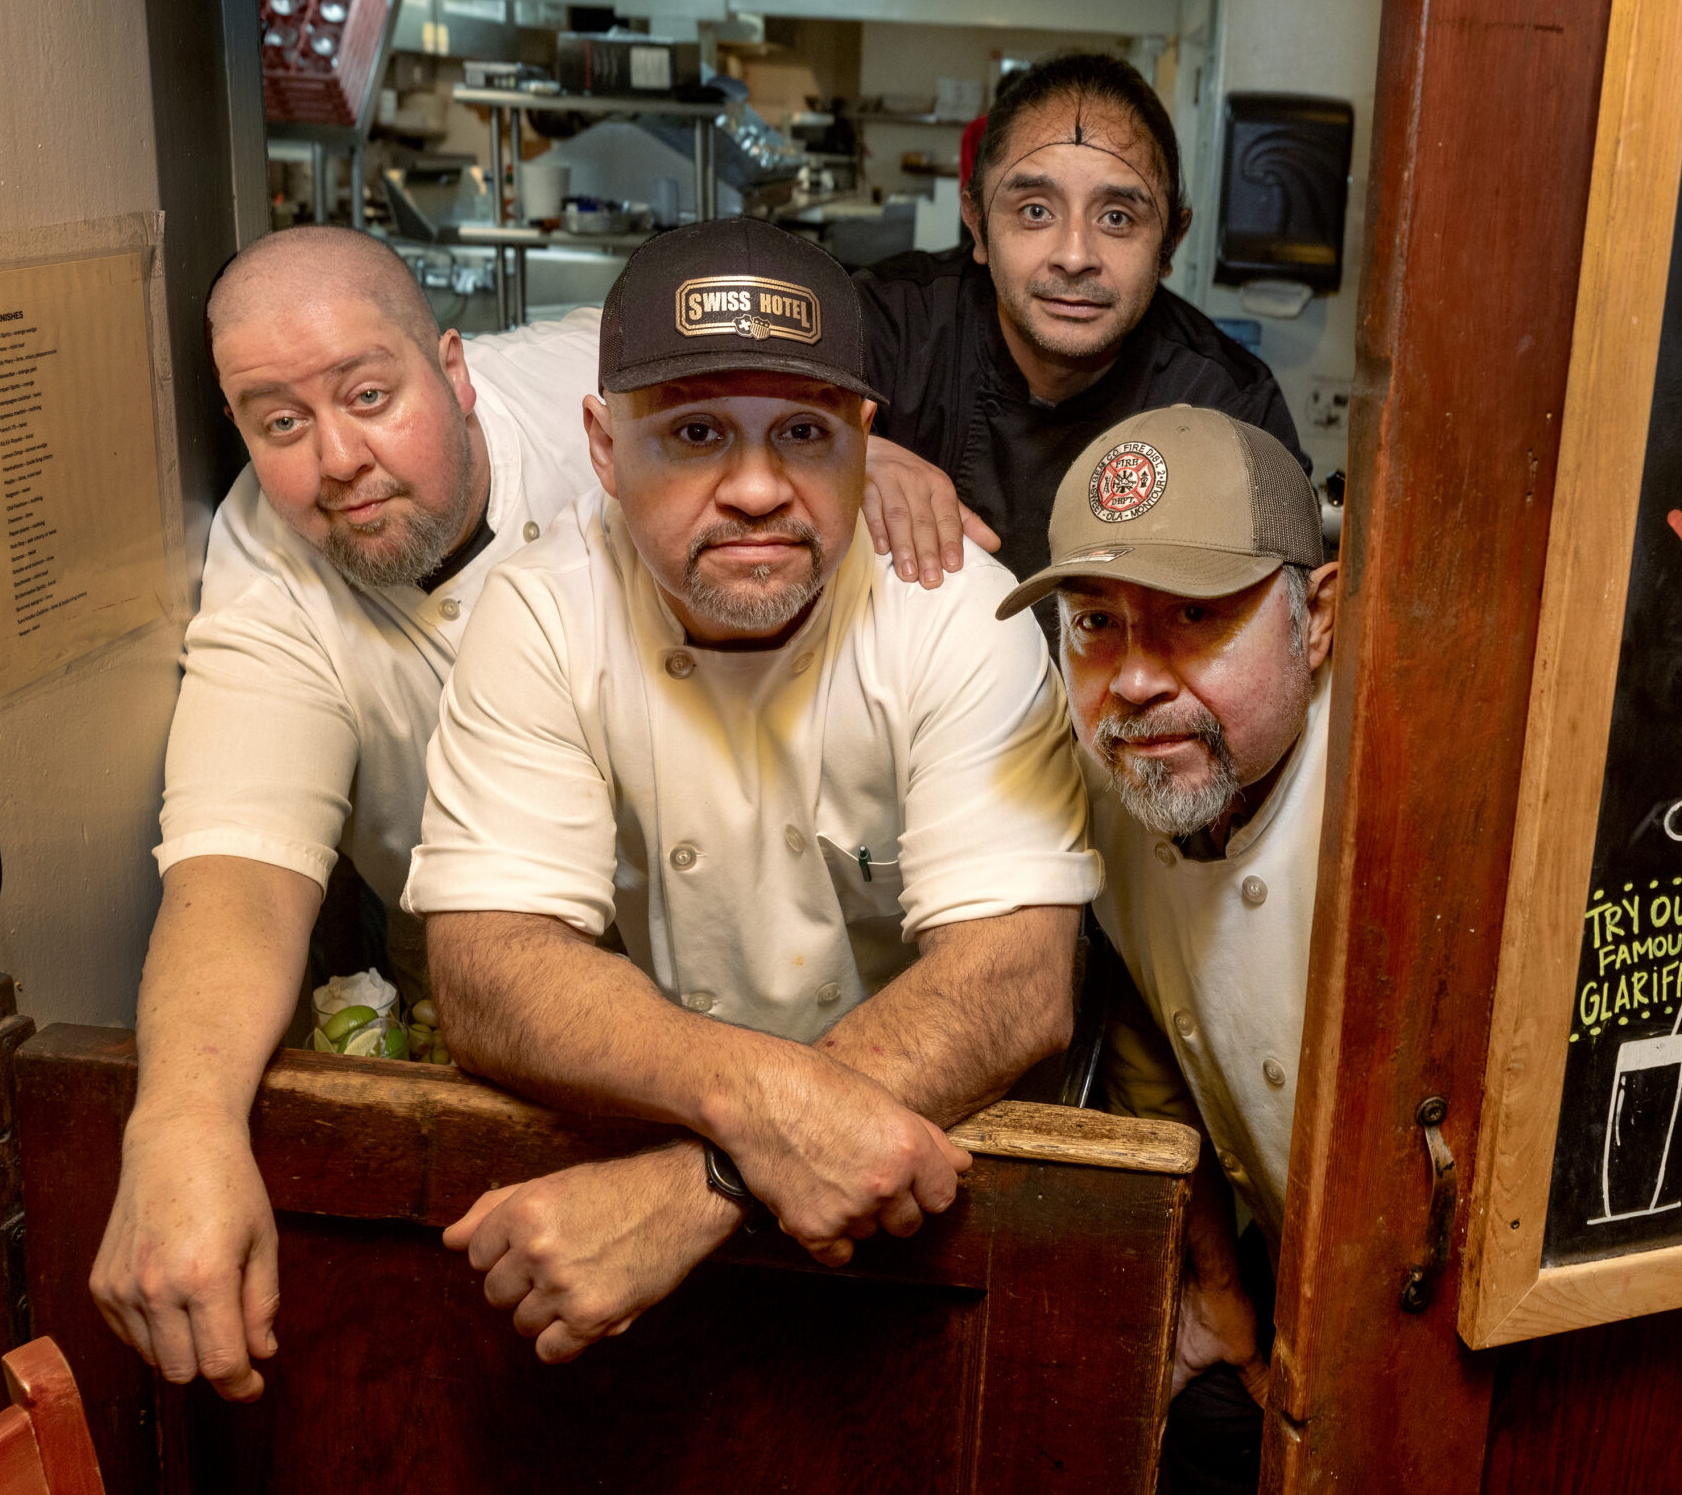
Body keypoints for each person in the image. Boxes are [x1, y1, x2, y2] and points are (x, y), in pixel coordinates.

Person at [409, 218, 1102, 1363]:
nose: (756, 489)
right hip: (663, 1123)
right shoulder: (542, 610)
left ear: (864, 438)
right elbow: (486, 967)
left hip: (930, 1175)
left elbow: (1019, 982)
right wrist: (763, 1113)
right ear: (600, 443)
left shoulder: (956, 612)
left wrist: (705, 1183)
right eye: (692, 433)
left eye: (802, 432)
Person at [90, 227, 603, 1402]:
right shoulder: (269, 558)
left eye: (371, 395)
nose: (337, 458)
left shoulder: (595, 393)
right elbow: (241, 860)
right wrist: (178, 1126)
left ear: (457, 372)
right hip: (475, 999)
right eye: (278, 423)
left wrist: (868, 461)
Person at [994, 406, 1337, 1493]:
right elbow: (1147, 1034)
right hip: (1276, 1273)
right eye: (1096, 622)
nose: (1134, 681)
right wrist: (1220, 1277)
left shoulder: (1394, 784)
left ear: (1317, 617)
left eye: (1195, 613)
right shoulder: (1102, 780)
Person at [854, 52, 1310, 592]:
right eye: (1035, 211)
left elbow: (1283, 618)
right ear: (976, 225)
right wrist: (840, 454)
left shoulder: (1231, 405)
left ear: (1170, 242)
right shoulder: (885, 326)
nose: (1074, 256)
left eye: (1117, 218)